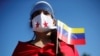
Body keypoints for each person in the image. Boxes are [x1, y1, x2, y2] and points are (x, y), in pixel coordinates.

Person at [12, 1, 79, 56]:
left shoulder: (68, 46)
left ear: (53, 21)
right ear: (32, 22)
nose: (41, 16)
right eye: (37, 13)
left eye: (46, 13)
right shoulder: (21, 49)